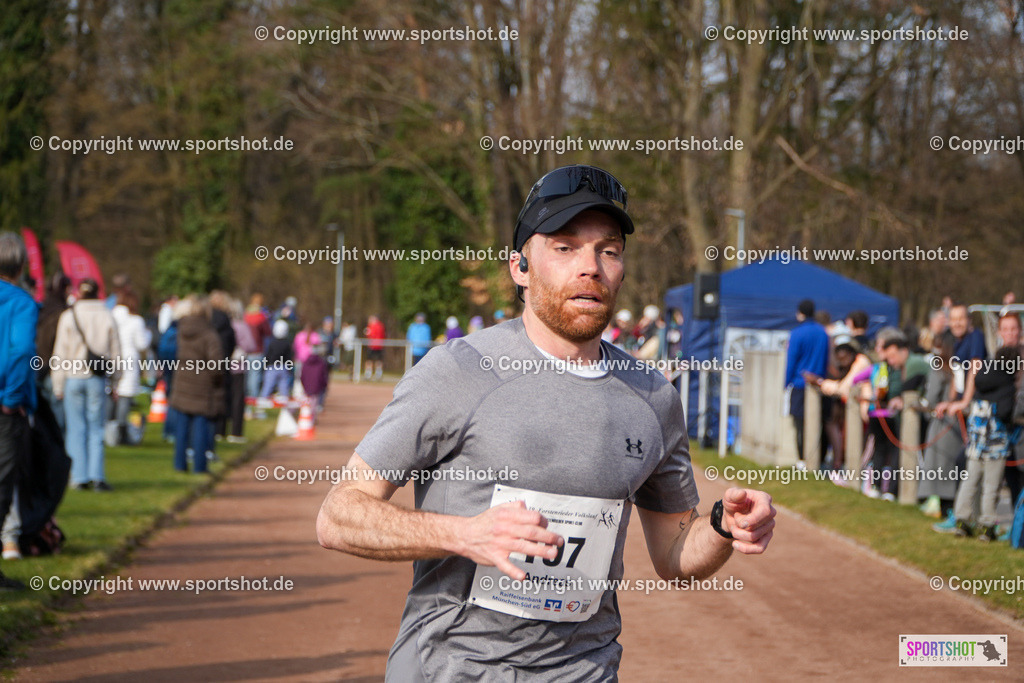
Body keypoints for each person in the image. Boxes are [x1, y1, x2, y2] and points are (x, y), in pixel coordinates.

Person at [316, 164, 776, 680]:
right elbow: (339, 516)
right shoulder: (457, 372)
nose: (591, 267)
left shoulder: (652, 396)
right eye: (564, 247)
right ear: (520, 267)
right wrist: (465, 535)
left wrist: (721, 528)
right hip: (453, 669)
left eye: (608, 250)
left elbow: (674, 553)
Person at [938, 345, 1020, 540]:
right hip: (995, 444)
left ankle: (962, 521)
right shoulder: (1007, 384)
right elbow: (1004, 412)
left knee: (970, 481)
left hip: (976, 442)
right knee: (991, 486)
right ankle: (987, 526)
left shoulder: (982, 376)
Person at [52, 279, 121, 491]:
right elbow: (116, 352)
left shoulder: (68, 316)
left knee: (75, 429)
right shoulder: (107, 315)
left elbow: (60, 352)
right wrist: (116, 381)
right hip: (97, 379)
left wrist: (58, 384)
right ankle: (97, 475)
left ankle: (79, 476)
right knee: (96, 428)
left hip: (73, 377)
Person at [0, 232, 38, 588]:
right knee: (2, 483)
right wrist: (11, 399)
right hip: (5, 406)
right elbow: (20, 352)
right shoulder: (21, 303)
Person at [168, 296, 225, 473]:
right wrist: (217, 379)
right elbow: (216, 364)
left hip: (182, 382)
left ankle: (180, 464)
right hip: (202, 384)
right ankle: (200, 466)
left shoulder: (181, 331)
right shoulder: (209, 334)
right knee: (201, 426)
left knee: (182, 428)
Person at [784, 299, 829, 468]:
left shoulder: (797, 333)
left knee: (799, 423)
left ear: (800, 313)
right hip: (819, 384)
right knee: (819, 422)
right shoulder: (823, 333)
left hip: (799, 384)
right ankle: (819, 459)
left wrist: (786, 382)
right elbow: (825, 359)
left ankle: (802, 459)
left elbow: (792, 360)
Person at [110, 291, 152, 445]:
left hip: (112, 358)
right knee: (125, 397)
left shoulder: (111, 315)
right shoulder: (136, 320)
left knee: (112, 394)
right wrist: (148, 335)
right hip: (128, 358)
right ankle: (121, 433)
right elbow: (142, 344)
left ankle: (111, 429)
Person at [244, 294, 272, 400]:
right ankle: (253, 399)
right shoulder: (261, 316)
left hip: (245, 350)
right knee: (255, 376)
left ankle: (246, 398)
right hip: (257, 349)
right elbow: (268, 332)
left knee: (246, 376)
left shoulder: (245, 315)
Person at [260, 320, 294, 402]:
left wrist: (265, 366)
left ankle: (262, 403)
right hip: (283, 367)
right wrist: (290, 368)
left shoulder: (272, 342)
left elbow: (268, 356)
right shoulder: (287, 343)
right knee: (284, 389)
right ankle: (285, 406)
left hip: (272, 367)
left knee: (267, 387)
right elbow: (289, 357)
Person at [300, 343, 330, 417]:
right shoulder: (321, 363)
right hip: (317, 388)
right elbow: (323, 377)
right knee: (314, 404)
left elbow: (302, 376)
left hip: (306, 387)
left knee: (307, 403)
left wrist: (304, 385)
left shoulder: (305, 362)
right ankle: (312, 418)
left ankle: (307, 416)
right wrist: (324, 386)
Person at [365, 315, 386, 380]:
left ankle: (368, 374)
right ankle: (378, 374)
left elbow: (369, 335)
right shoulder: (381, 325)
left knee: (369, 360)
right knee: (378, 361)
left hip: (372, 345)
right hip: (379, 345)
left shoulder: (371, 326)